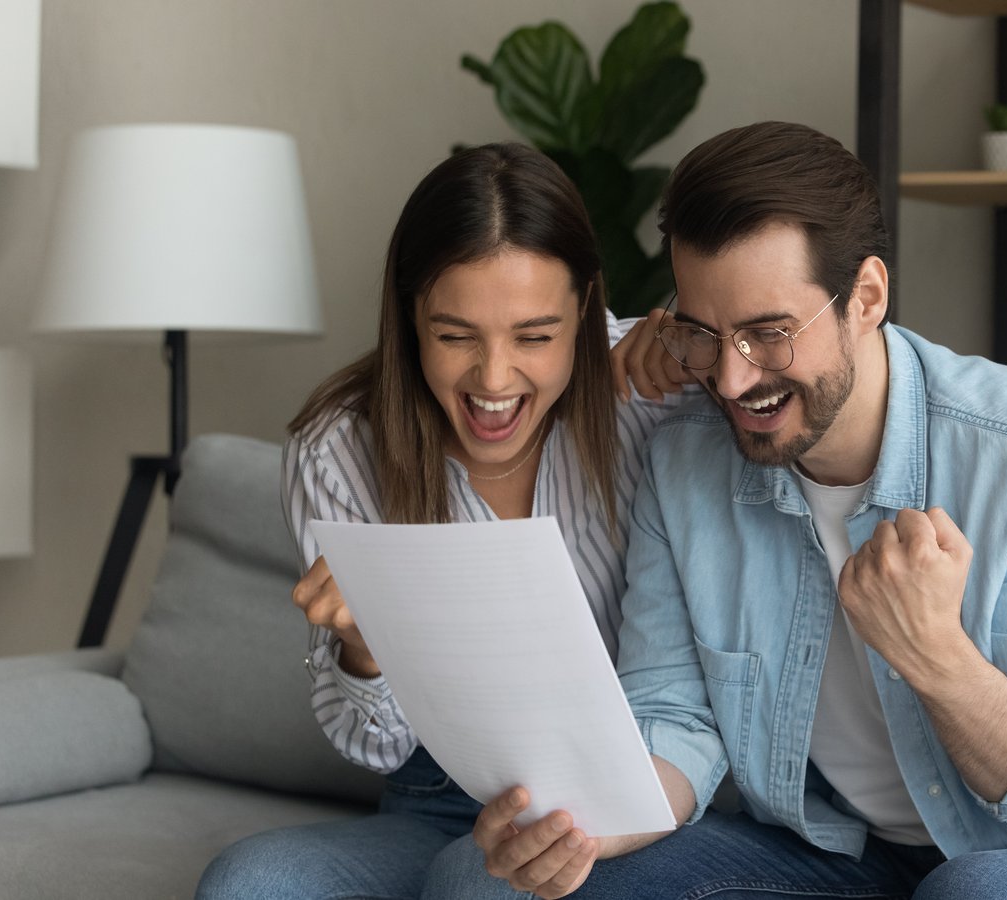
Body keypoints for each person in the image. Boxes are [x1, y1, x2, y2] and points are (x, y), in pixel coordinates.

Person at [424, 122, 1007, 899]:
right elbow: (673, 719)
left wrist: (934, 656)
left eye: (768, 332)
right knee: (533, 884)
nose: (732, 379)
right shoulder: (684, 460)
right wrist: (585, 828)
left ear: (866, 297)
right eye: (704, 333)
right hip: (838, 851)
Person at [194, 142, 677, 899]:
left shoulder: (650, 392)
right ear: (410, 314)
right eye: (454, 336)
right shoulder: (336, 451)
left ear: (585, 308)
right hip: (437, 797)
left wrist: (695, 348)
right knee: (249, 884)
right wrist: (363, 647)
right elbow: (376, 747)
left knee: (481, 886)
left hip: (626, 793)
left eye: (535, 336)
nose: (492, 379)